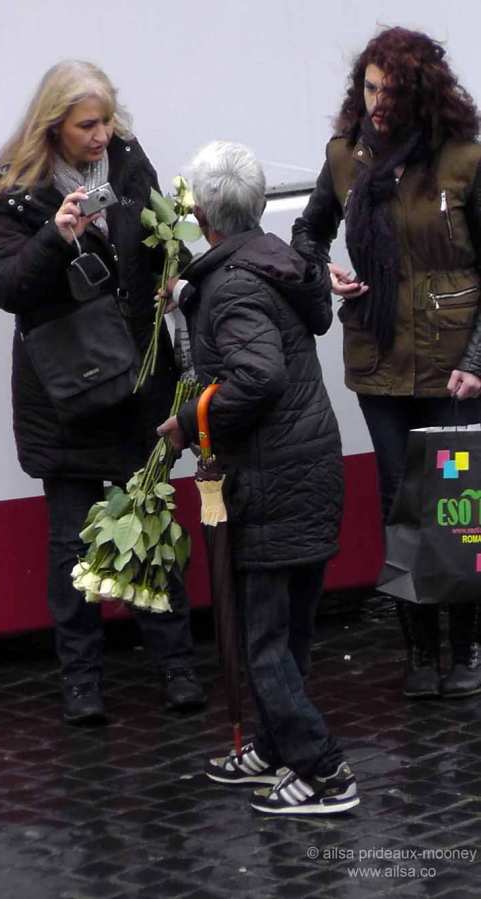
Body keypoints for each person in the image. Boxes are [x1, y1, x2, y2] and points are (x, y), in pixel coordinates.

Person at [0, 60, 205, 724]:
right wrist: (58, 235)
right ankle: (82, 680)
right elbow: (5, 287)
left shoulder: (130, 164)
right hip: (65, 396)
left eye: (106, 120)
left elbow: (166, 239)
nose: (103, 134)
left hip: (135, 381)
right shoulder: (16, 190)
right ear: (54, 126)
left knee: (151, 525)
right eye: (87, 125)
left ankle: (177, 667)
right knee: (70, 546)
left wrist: (174, 272)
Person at [158, 141, 359, 816]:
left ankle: (324, 768)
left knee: (263, 641)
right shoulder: (270, 264)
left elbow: (256, 374)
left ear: (207, 215)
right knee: (289, 630)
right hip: (307, 468)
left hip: (272, 480)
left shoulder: (235, 285)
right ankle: (275, 747)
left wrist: (188, 419)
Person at [292, 26, 481, 700]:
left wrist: (477, 359)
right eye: (369, 88)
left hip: (452, 368)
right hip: (378, 364)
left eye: (391, 91)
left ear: (419, 93)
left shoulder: (462, 160)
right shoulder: (346, 157)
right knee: (399, 506)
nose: (377, 102)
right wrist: (327, 273)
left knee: (454, 507)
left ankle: (462, 650)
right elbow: (307, 232)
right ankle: (416, 652)